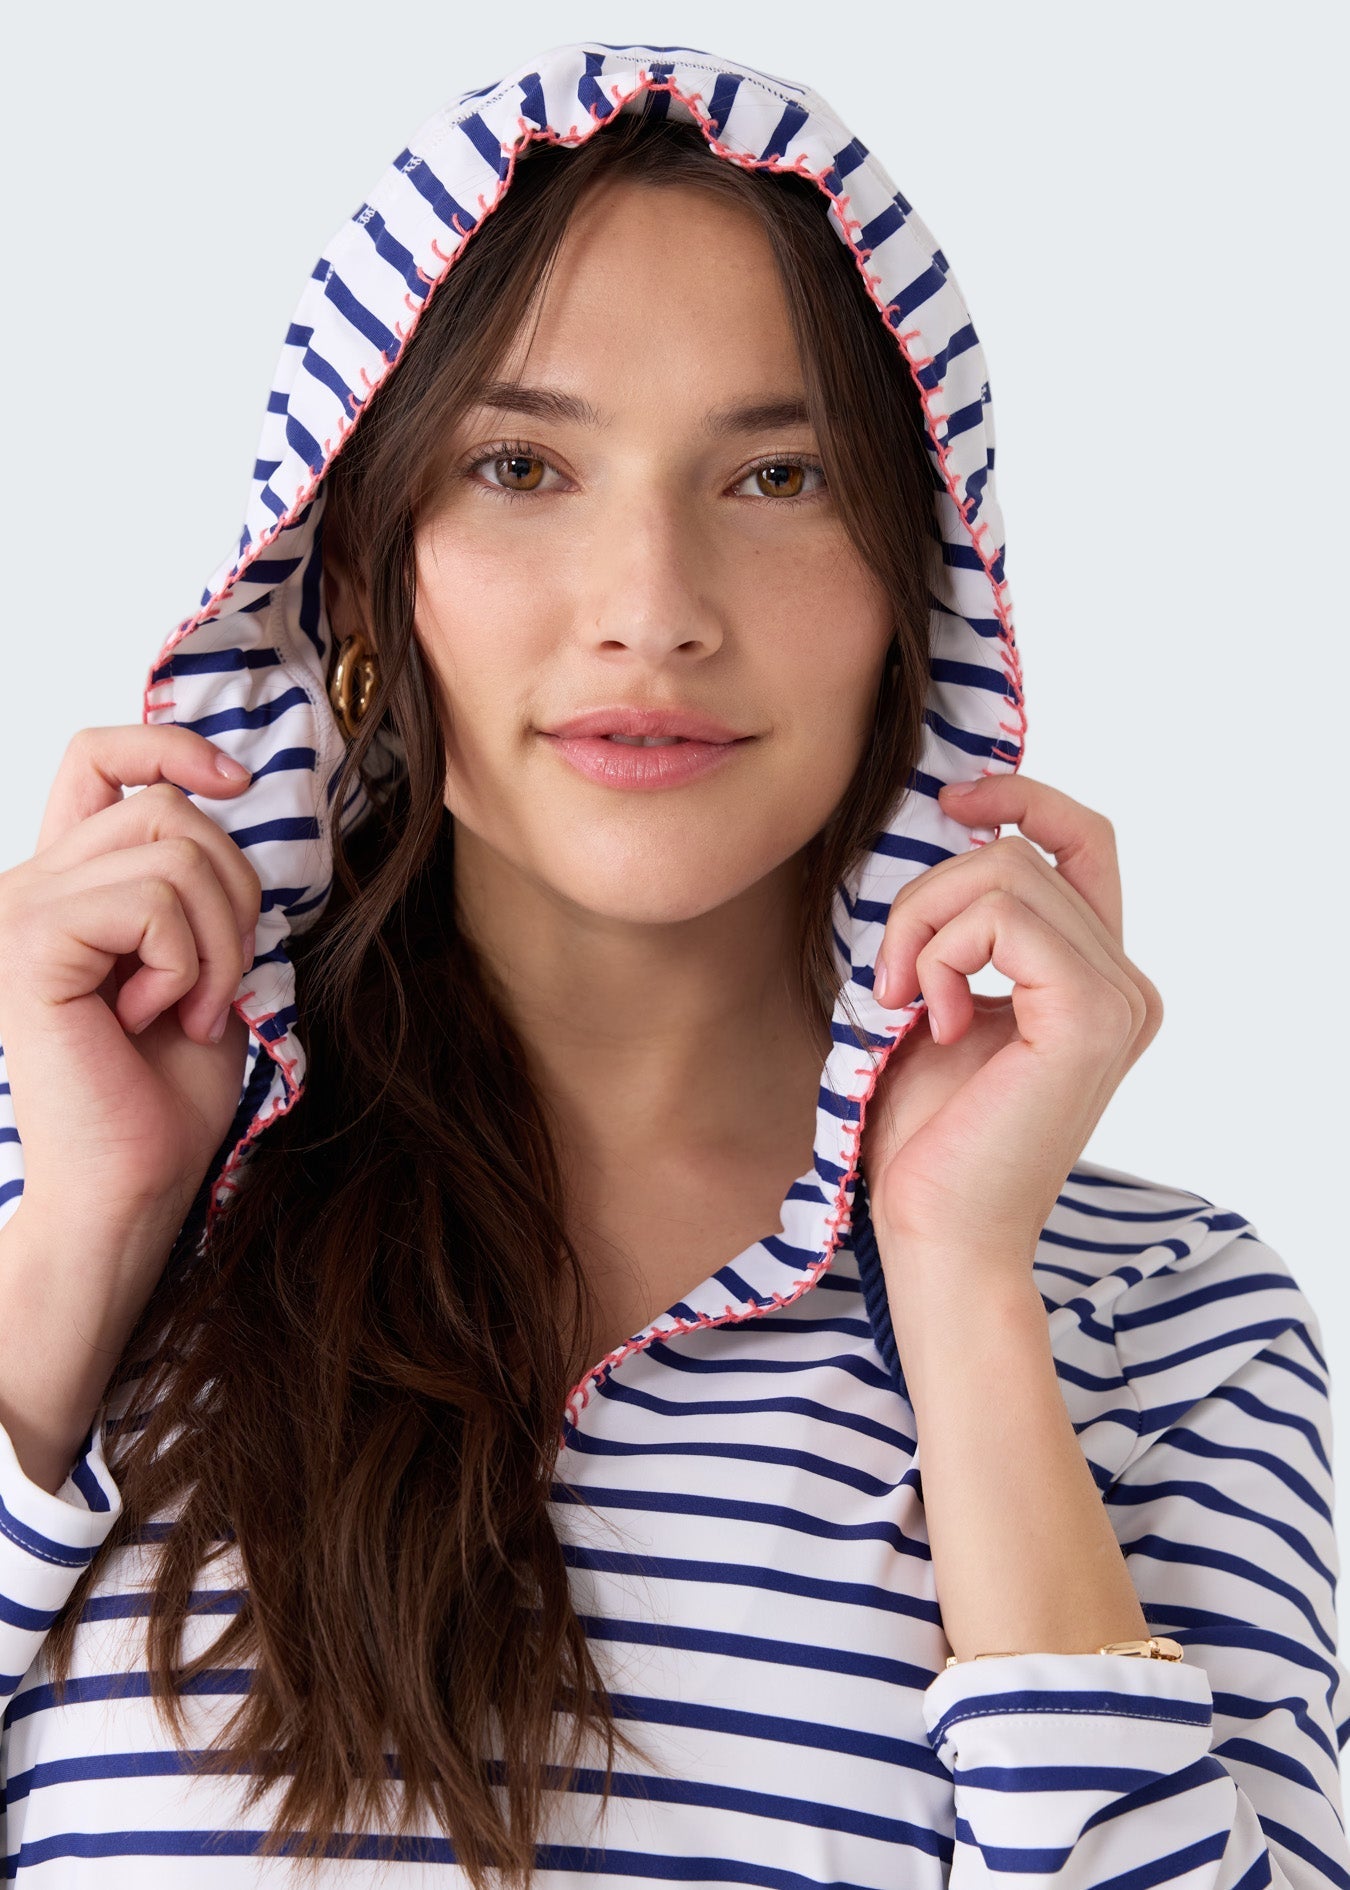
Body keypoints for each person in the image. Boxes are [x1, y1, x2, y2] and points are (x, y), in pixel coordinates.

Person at [0, 37, 1344, 1888]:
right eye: (521, 464)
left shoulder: (1162, 1325)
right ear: (362, 575)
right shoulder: (64, 1183)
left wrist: (958, 1284)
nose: (652, 605)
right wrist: (87, 1229)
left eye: (778, 474)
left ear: (920, 585)